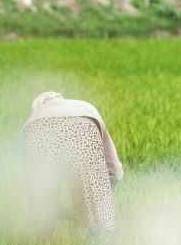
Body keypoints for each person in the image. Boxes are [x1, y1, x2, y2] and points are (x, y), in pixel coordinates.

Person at [21, 91, 122, 232]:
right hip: (84, 126)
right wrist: (100, 191)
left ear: (38, 107)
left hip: (36, 131)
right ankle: (104, 244)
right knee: (101, 224)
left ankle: (42, 244)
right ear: (61, 99)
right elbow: (114, 170)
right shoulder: (86, 107)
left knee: (42, 205)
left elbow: (32, 182)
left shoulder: (31, 120)